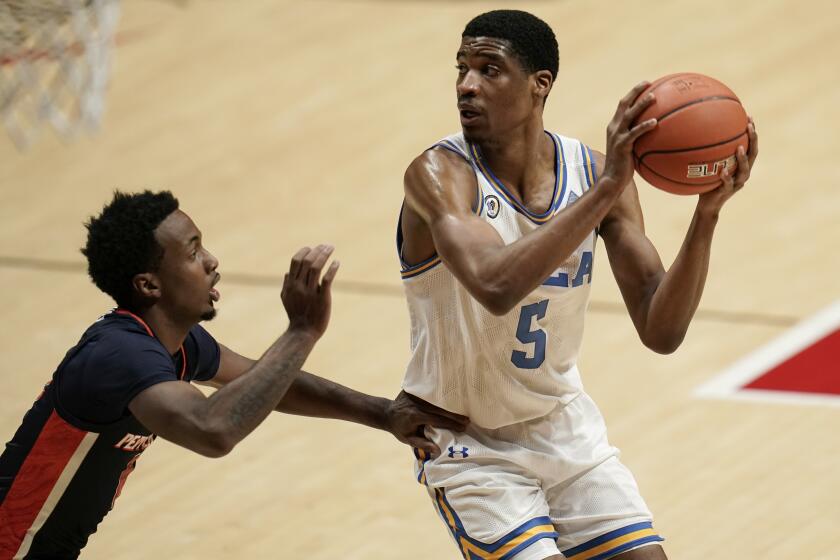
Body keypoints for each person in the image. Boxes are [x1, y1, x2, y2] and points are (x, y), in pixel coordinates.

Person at [397, 9, 757, 560]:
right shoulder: (440, 174)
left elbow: (661, 329)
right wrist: (609, 186)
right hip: (469, 441)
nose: (467, 85)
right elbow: (494, 286)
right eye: (462, 68)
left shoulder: (590, 173)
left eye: (489, 70)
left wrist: (706, 215)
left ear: (540, 84)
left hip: (564, 427)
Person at [0, 190, 467, 560]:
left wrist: (383, 413)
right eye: (193, 251)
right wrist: (302, 331)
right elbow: (214, 430)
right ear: (149, 284)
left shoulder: (174, 344)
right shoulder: (120, 356)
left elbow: (267, 382)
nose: (212, 261)